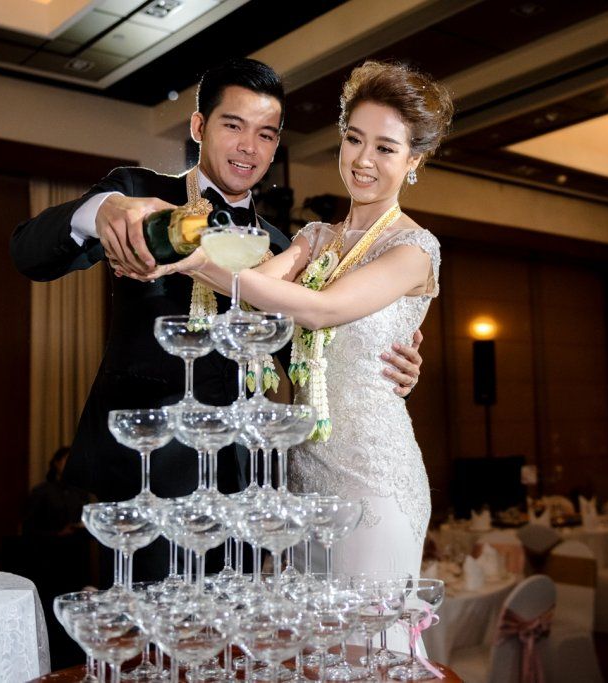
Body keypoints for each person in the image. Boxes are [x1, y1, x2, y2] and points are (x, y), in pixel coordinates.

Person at [9, 58, 423, 580]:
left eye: (266, 135)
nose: (249, 147)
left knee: (237, 621)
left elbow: (311, 343)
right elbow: (29, 254)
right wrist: (100, 210)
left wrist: (389, 361)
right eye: (234, 126)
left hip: (247, 479)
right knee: (149, 620)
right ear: (199, 126)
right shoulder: (140, 197)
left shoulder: (286, 246)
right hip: (148, 466)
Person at [155, 60, 452, 596]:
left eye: (385, 148)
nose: (363, 160)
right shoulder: (316, 238)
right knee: (306, 631)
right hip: (302, 471)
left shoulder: (414, 249)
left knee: (368, 635)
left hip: (373, 473)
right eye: (354, 139)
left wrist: (195, 262)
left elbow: (320, 310)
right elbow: (255, 295)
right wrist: (183, 246)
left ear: (414, 160)